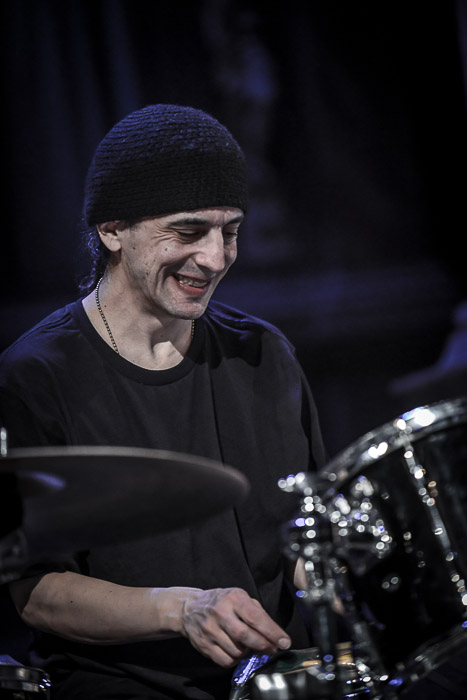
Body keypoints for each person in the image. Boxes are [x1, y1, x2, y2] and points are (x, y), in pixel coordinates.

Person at [0, 104, 327, 699]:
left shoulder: (265, 354)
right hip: (122, 686)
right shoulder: (35, 376)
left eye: (230, 231)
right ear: (112, 230)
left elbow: (301, 544)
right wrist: (181, 610)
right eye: (188, 231)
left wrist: (359, 583)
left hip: (277, 681)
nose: (216, 258)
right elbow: (34, 592)